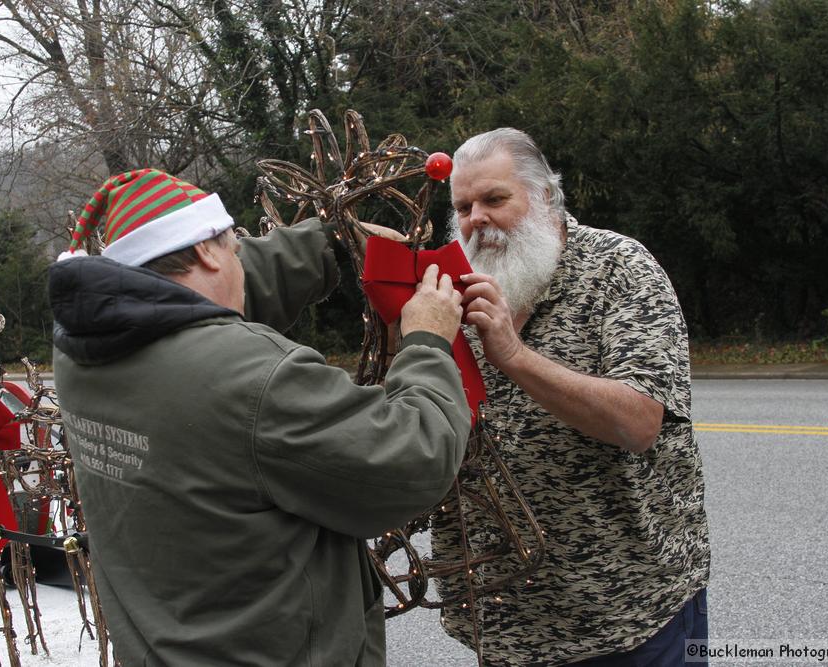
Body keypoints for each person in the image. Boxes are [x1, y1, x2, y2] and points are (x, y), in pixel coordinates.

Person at [48, 168, 471, 666]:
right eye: (231, 246)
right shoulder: (257, 378)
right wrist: (426, 341)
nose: (240, 261)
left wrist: (330, 244)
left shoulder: (82, 351)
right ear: (206, 250)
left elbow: (197, 304)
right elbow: (415, 456)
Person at [436, 129, 710, 666]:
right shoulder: (454, 295)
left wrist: (512, 356)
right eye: (463, 207)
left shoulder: (618, 269)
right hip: (510, 619)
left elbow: (638, 422)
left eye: (494, 199)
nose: (476, 219)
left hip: (632, 610)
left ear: (547, 197)